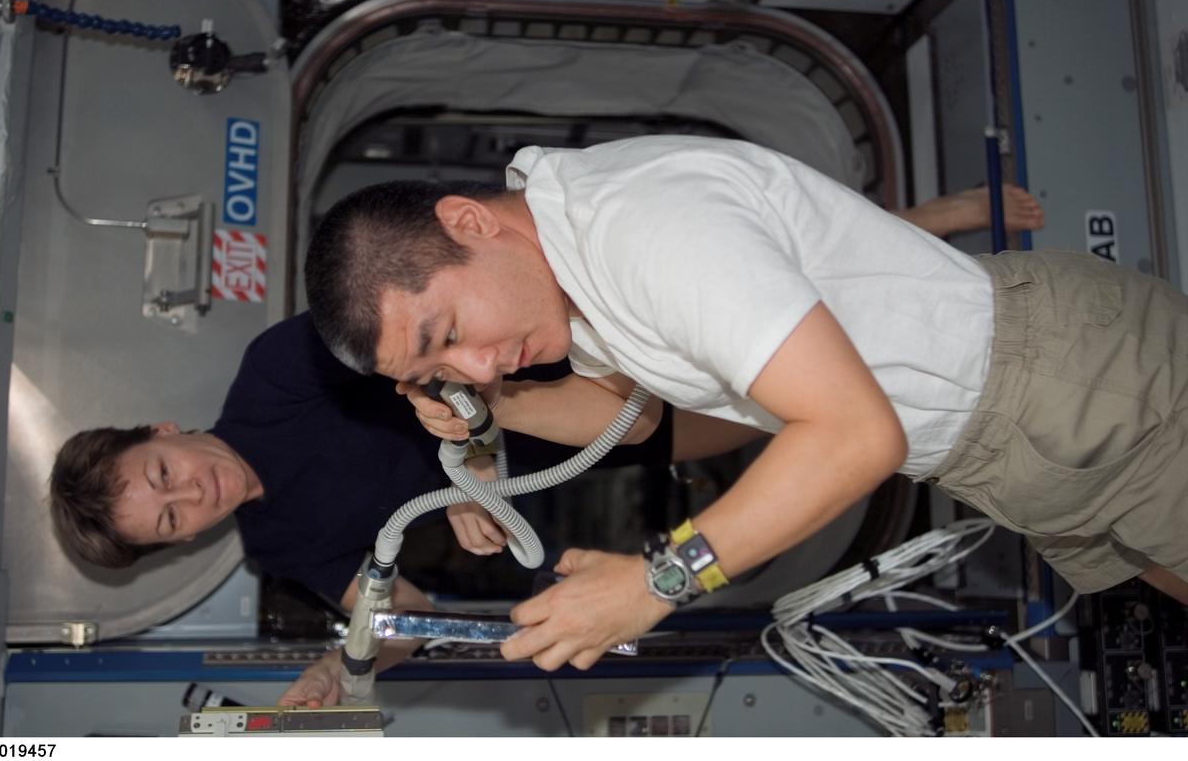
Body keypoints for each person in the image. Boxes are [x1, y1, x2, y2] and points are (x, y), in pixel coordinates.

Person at [303, 134, 1188, 673]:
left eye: (450, 328)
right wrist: (498, 415)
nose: (480, 363)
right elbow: (638, 419)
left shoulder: (645, 231)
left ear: (468, 222)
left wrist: (659, 580)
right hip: (1002, 445)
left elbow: (853, 432)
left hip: (1063, 383)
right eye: (441, 367)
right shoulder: (568, 275)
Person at [49, 311, 674, 705]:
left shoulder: (275, 373)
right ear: (180, 542)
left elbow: (424, 329)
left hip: (573, 356)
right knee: (756, 424)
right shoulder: (279, 545)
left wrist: (473, 459)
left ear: (161, 431)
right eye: (170, 519)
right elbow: (405, 615)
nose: (192, 494)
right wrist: (337, 666)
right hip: (596, 444)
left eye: (163, 474)